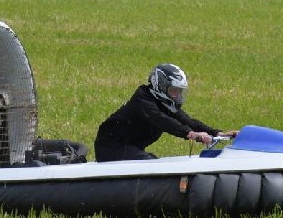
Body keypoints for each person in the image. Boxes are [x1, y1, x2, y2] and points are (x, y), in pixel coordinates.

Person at [94, 63, 239, 162]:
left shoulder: (163, 103)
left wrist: (217, 133)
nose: (176, 95)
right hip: (110, 147)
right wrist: (190, 134)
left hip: (130, 147)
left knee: (149, 161)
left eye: (179, 91)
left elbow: (188, 121)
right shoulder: (142, 100)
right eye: (173, 90)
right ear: (161, 86)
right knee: (149, 163)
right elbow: (160, 119)